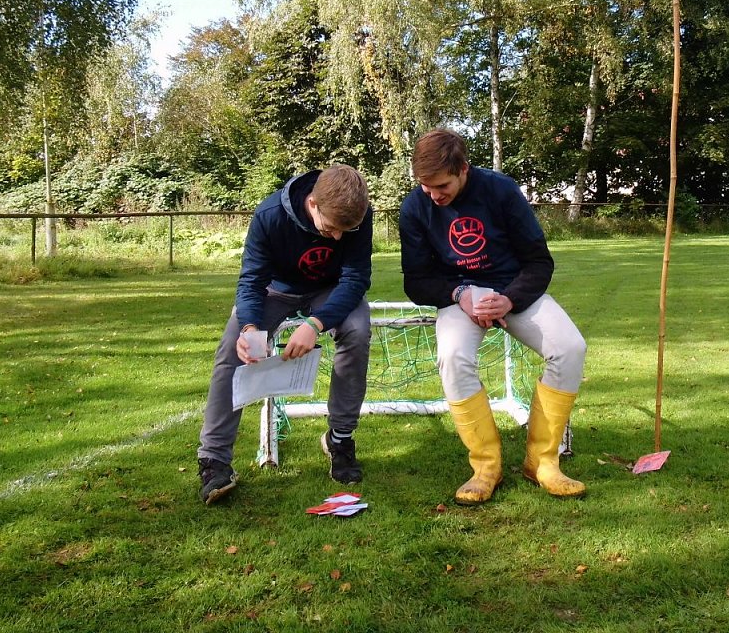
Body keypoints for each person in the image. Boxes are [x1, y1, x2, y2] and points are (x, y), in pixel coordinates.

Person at [399, 129, 587, 504]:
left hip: (512, 290)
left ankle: (542, 462)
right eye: (425, 186)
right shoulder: (414, 208)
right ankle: (486, 466)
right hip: (458, 297)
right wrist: (460, 295)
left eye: (442, 186)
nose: (434, 195)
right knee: (453, 357)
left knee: (570, 348)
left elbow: (539, 262)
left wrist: (509, 299)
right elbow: (416, 281)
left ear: (463, 169)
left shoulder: (501, 190)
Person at [197, 164, 373, 504]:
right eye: (332, 228)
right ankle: (214, 460)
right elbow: (251, 281)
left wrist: (315, 324)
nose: (338, 238)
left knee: (357, 328)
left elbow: (355, 279)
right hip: (275, 292)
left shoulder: (358, 214)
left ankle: (340, 439)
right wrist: (250, 327)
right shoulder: (269, 216)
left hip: (330, 292)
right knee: (233, 345)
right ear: (312, 204)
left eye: (345, 231)